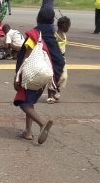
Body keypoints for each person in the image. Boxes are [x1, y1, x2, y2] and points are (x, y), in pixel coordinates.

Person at [12, 8, 64, 145]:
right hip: (44, 76)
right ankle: (28, 132)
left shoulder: (34, 35)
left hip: (31, 75)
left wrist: (18, 77)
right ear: (52, 21)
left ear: (37, 19)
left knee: (23, 102)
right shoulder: (52, 37)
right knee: (30, 102)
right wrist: (54, 82)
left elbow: (26, 58)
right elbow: (59, 60)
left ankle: (42, 124)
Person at [48, 16, 70, 103]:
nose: (68, 28)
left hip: (62, 59)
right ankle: (50, 95)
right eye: (67, 26)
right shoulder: (55, 36)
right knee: (53, 77)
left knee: (64, 77)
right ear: (63, 25)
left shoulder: (64, 35)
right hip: (55, 59)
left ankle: (56, 88)